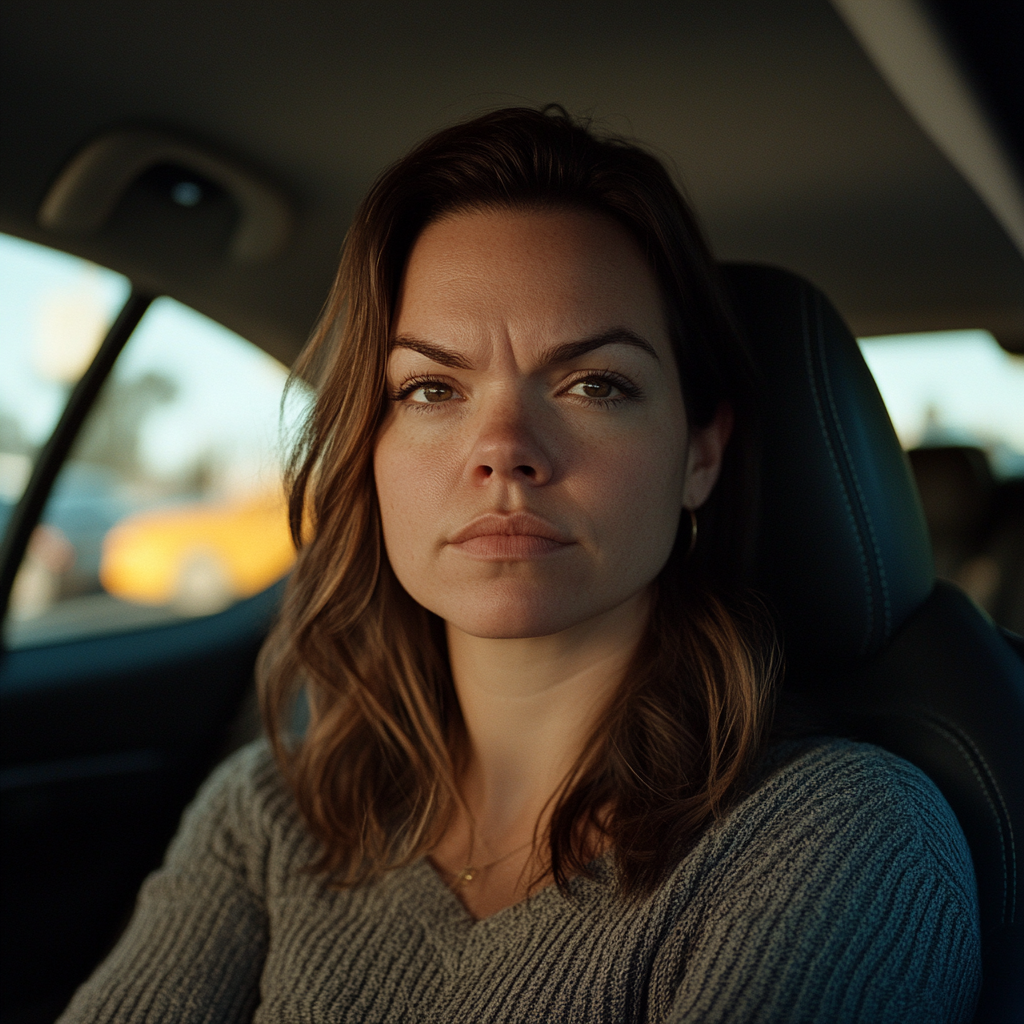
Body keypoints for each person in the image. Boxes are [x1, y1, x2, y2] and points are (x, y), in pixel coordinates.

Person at [60, 107, 980, 1023]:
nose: (503, 450)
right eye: (431, 389)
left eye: (594, 384)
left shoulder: (839, 837)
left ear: (700, 454)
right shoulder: (268, 816)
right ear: (367, 449)